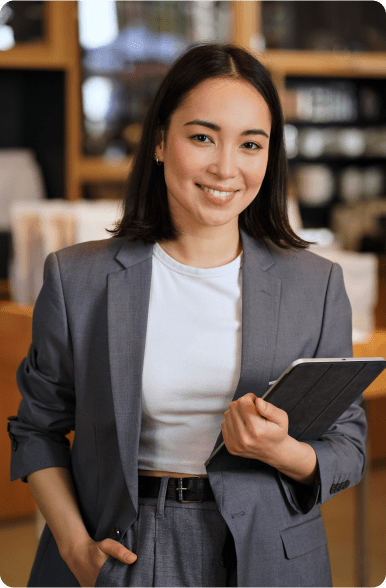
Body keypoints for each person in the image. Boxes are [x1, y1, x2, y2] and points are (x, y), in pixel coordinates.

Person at [8, 43, 366, 588]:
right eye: (202, 137)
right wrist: (77, 549)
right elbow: (38, 429)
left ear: (270, 157)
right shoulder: (76, 278)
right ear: (159, 141)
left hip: (269, 557)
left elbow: (348, 446)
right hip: (121, 550)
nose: (226, 167)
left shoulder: (315, 284)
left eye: (251, 143)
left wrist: (284, 451)